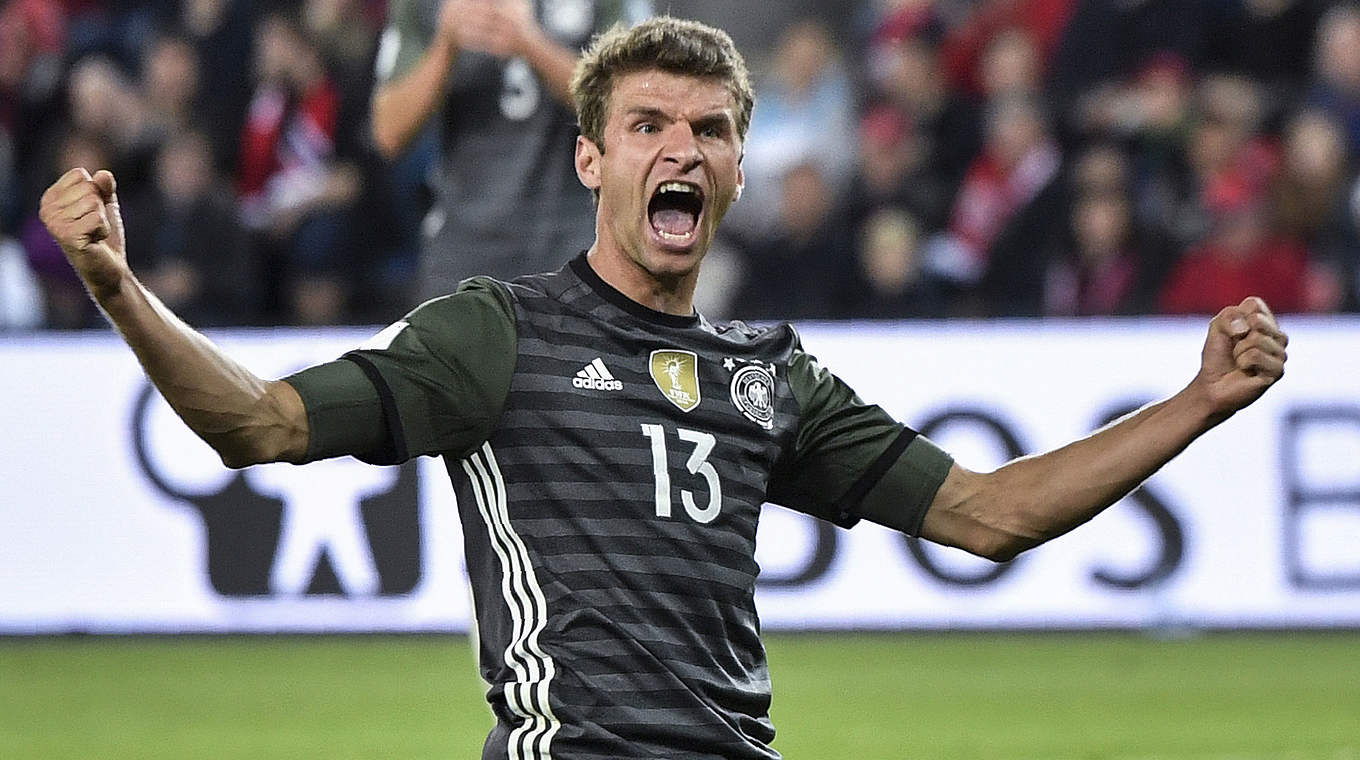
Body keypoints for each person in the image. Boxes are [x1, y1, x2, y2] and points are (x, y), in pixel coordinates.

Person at [40, 17, 1288, 760]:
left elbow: (990, 513)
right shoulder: (494, 334)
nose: (679, 148)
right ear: (591, 158)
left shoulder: (770, 374)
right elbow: (258, 422)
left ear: (740, 169)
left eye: (708, 129)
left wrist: (1196, 401)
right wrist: (115, 286)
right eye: (646, 125)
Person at [370, 0, 651, 296]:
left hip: (577, 244)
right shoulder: (429, 7)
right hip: (463, 254)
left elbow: (634, 108)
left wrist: (530, 44)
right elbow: (388, 134)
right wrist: (445, 44)